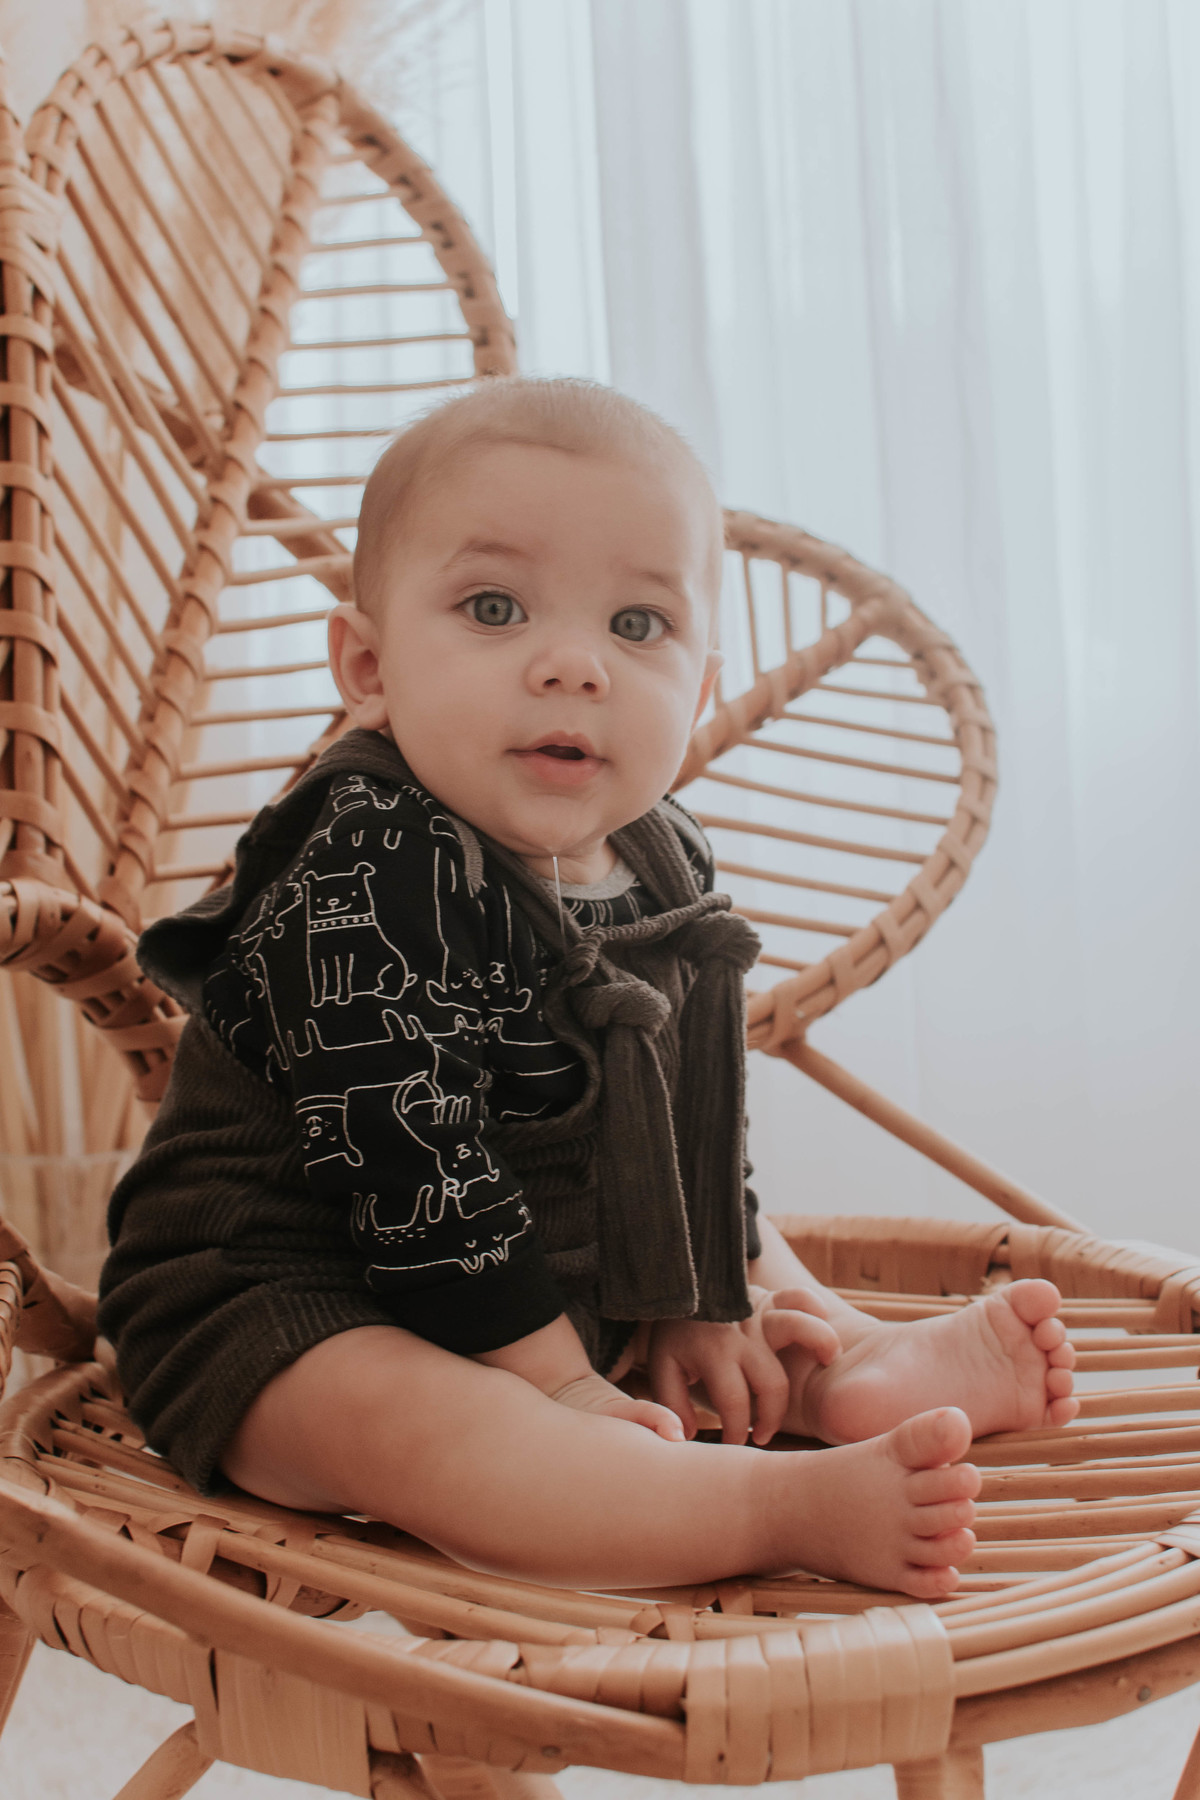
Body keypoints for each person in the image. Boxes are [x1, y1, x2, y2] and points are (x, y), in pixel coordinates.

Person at [99, 377, 1076, 1599]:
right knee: (428, 1425)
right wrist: (553, 1382)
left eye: (637, 624)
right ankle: (775, 1507)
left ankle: (845, 1358)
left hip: (552, 1259)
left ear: (699, 692)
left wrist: (703, 1302)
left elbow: (692, 1117)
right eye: (494, 608)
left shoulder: (664, 855)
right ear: (369, 664)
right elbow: (409, 1166)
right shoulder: (366, 861)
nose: (574, 665)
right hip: (284, 1293)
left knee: (732, 1235)